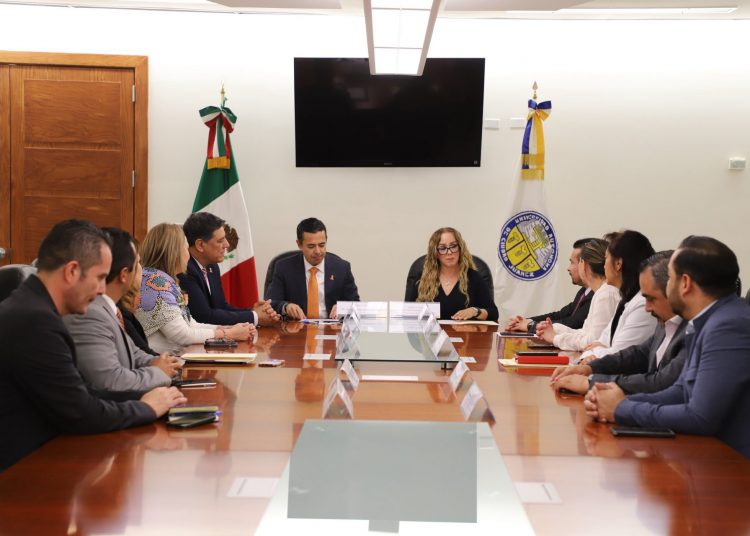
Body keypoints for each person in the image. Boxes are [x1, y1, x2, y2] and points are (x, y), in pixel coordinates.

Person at [0, 219, 186, 472]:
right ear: (71, 271)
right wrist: (146, 407)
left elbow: (81, 393)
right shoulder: (35, 320)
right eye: (99, 278)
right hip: (22, 471)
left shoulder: (34, 307)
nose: (101, 290)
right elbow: (80, 411)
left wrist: (147, 398)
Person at [585, 236, 750, 458]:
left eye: (669, 278)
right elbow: (680, 392)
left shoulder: (727, 326)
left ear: (685, 283)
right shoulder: (706, 320)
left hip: (731, 466)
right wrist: (614, 401)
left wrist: (621, 409)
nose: (666, 285)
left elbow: (700, 417)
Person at [551, 250, 688, 395]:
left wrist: (592, 383)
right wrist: (589, 368)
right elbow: (638, 354)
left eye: (651, 299)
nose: (647, 308)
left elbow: (660, 382)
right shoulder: (665, 324)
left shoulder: (692, 330)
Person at [64, 227, 181, 394]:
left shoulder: (109, 308)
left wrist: (159, 362)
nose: (143, 270)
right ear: (124, 274)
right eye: (138, 263)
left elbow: (133, 352)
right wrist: (160, 372)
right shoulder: (90, 313)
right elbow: (111, 382)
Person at [134, 223, 255, 353]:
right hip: (157, 362)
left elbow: (190, 324)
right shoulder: (157, 284)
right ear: (175, 253)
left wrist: (229, 328)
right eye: (186, 249)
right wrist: (229, 334)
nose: (188, 255)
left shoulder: (160, 279)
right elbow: (182, 335)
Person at [179, 212, 279, 326]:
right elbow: (203, 316)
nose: (227, 244)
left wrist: (253, 312)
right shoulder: (184, 270)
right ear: (200, 245)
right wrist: (255, 317)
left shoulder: (212, 266)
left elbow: (221, 307)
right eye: (220, 240)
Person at [577, 230, 657, 362]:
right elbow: (596, 344)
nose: (604, 265)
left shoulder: (643, 304)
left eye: (606, 258)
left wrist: (597, 350)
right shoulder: (626, 300)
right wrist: (599, 349)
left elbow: (618, 356)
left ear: (618, 264)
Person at [535, 238, 619, 350]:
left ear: (584, 265)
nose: (568, 268)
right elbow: (584, 333)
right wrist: (554, 329)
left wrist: (555, 338)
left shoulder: (606, 294)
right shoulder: (601, 292)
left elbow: (593, 342)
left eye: (576, 262)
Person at [267, 217, 359, 319]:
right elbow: (271, 303)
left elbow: (355, 303)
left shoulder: (341, 268)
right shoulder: (284, 268)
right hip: (297, 326)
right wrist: (286, 307)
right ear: (299, 244)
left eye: (322, 245)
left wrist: (343, 308)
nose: (318, 251)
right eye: (311, 246)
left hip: (331, 326)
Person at [405, 227, 499, 321]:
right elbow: (407, 313)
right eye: (442, 248)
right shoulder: (422, 279)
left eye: (453, 246)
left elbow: (493, 313)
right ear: (435, 253)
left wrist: (475, 311)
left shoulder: (473, 277)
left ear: (460, 248)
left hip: (465, 331)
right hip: (432, 331)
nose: (449, 252)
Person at [505, 238, 597, 333]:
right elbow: (561, 314)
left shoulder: (595, 293)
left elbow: (572, 324)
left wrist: (531, 325)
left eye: (572, 262)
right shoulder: (584, 291)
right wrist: (527, 321)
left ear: (585, 265)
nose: (568, 268)